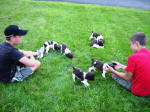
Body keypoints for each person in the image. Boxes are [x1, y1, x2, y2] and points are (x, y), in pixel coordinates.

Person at [105, 32, 150, 96]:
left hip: (140, 91)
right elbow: (139, 69)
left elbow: (127, 78)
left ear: (136, 44)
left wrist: (113, 71)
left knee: (113, 75)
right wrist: (121, 66)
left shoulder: (133, 57)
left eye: (131, 44)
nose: (130, 47)